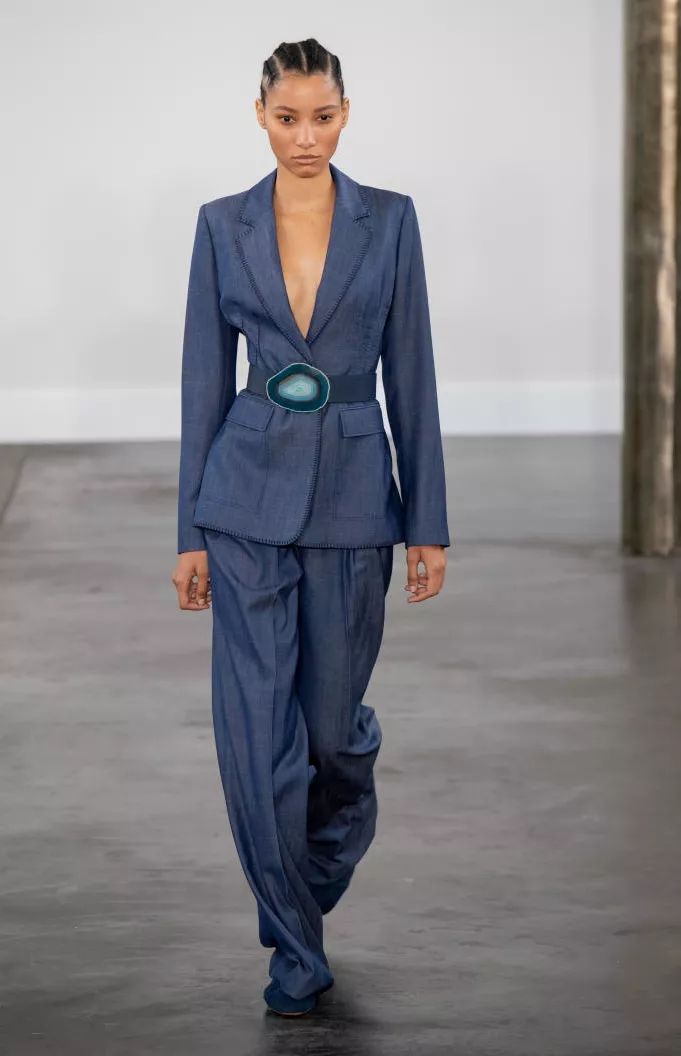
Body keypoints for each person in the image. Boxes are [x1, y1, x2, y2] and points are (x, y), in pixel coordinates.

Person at [171, 37, 451, 1017]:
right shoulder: (223, 224)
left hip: (353, 501)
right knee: (257, 741)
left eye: (322, 117)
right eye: (287, 118)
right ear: (260, 115)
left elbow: (410, 372)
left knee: (329, 738)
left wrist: (428, 522)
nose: (304, 137)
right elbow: (202, 382)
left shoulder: (390, 221)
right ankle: (296, 949)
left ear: (345, 114)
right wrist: (189, 532)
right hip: (242, 498)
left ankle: (310, 865)